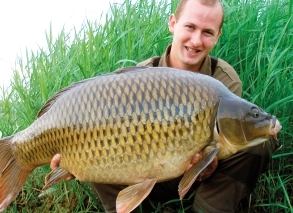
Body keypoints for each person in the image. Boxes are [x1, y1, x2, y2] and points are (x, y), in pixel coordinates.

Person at [50, 0, 279, 212]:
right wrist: (72, 160)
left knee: (260, 145)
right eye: (190, 27)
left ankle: (209, 208)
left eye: (207, 32)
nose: (196, 40)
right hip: (140, 173)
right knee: (94, 147)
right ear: (173, 23)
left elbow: (224, 145)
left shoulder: (224, 80)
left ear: (217, 36)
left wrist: (205, 167)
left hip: (203, 179)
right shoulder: (141, 77)